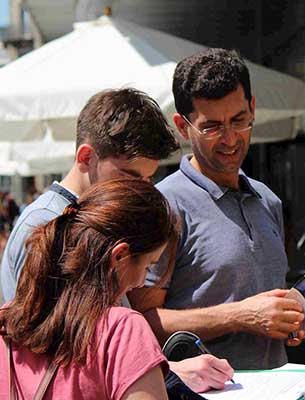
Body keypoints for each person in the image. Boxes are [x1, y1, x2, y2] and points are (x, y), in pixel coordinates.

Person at [0, 88, 233, 392]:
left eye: (148, 179)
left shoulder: (93, 219)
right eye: (130, 176)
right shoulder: (45, 222)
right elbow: (46, 355)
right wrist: (163, 371)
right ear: (86, 157)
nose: (143, 189)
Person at [128, 48, 305, 370]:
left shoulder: (267, 200)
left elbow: (266, 306)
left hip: (279, 385)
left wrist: (295, 320)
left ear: (253, 108)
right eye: (212, 127)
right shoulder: (162, 207)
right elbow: (139, 323)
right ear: (182, 126)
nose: (230, 139)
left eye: (239, 121)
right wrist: (240, 316)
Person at [0, 179, 188, 399]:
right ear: (119, 255)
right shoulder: (122, 330)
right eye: (148, 267)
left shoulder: (9, 322)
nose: (141, 283)